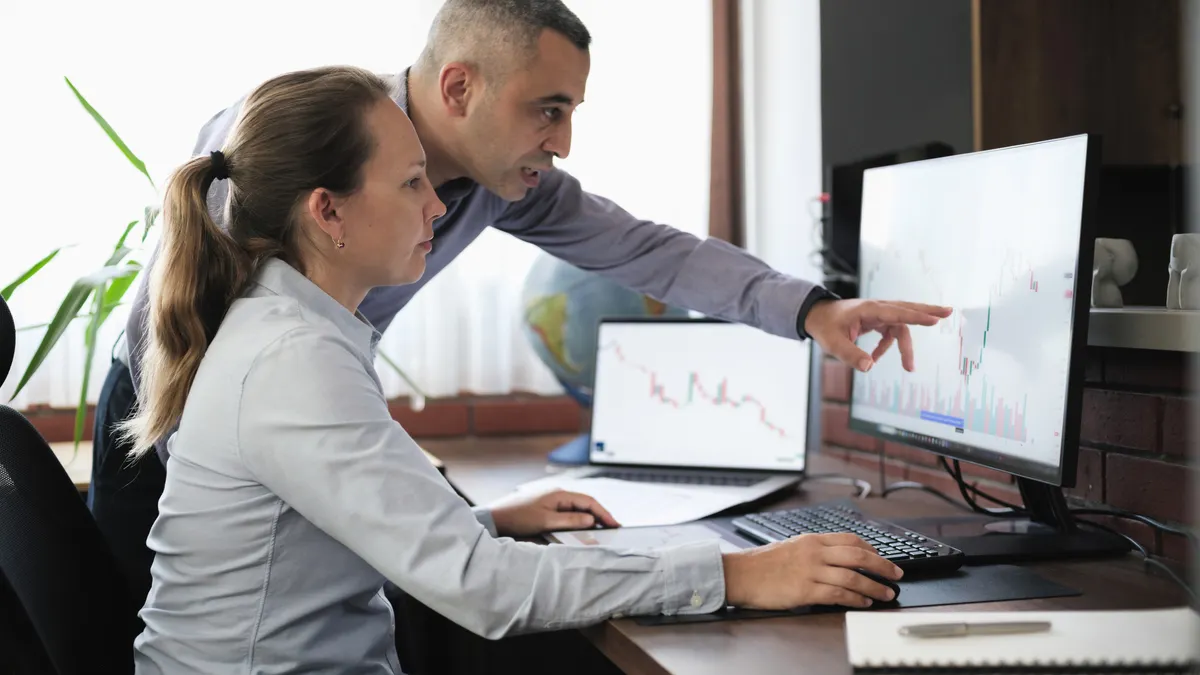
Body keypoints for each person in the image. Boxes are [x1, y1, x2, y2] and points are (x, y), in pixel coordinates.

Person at [90, 0, 950, 634]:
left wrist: (811, 309)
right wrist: (731, 573)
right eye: (549, 109)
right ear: (459, 86)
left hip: (293, 435)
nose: (563, 140)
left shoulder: (496, 189)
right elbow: (221, 397)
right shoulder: (302, 149)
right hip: (162, 416)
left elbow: (648, 249)